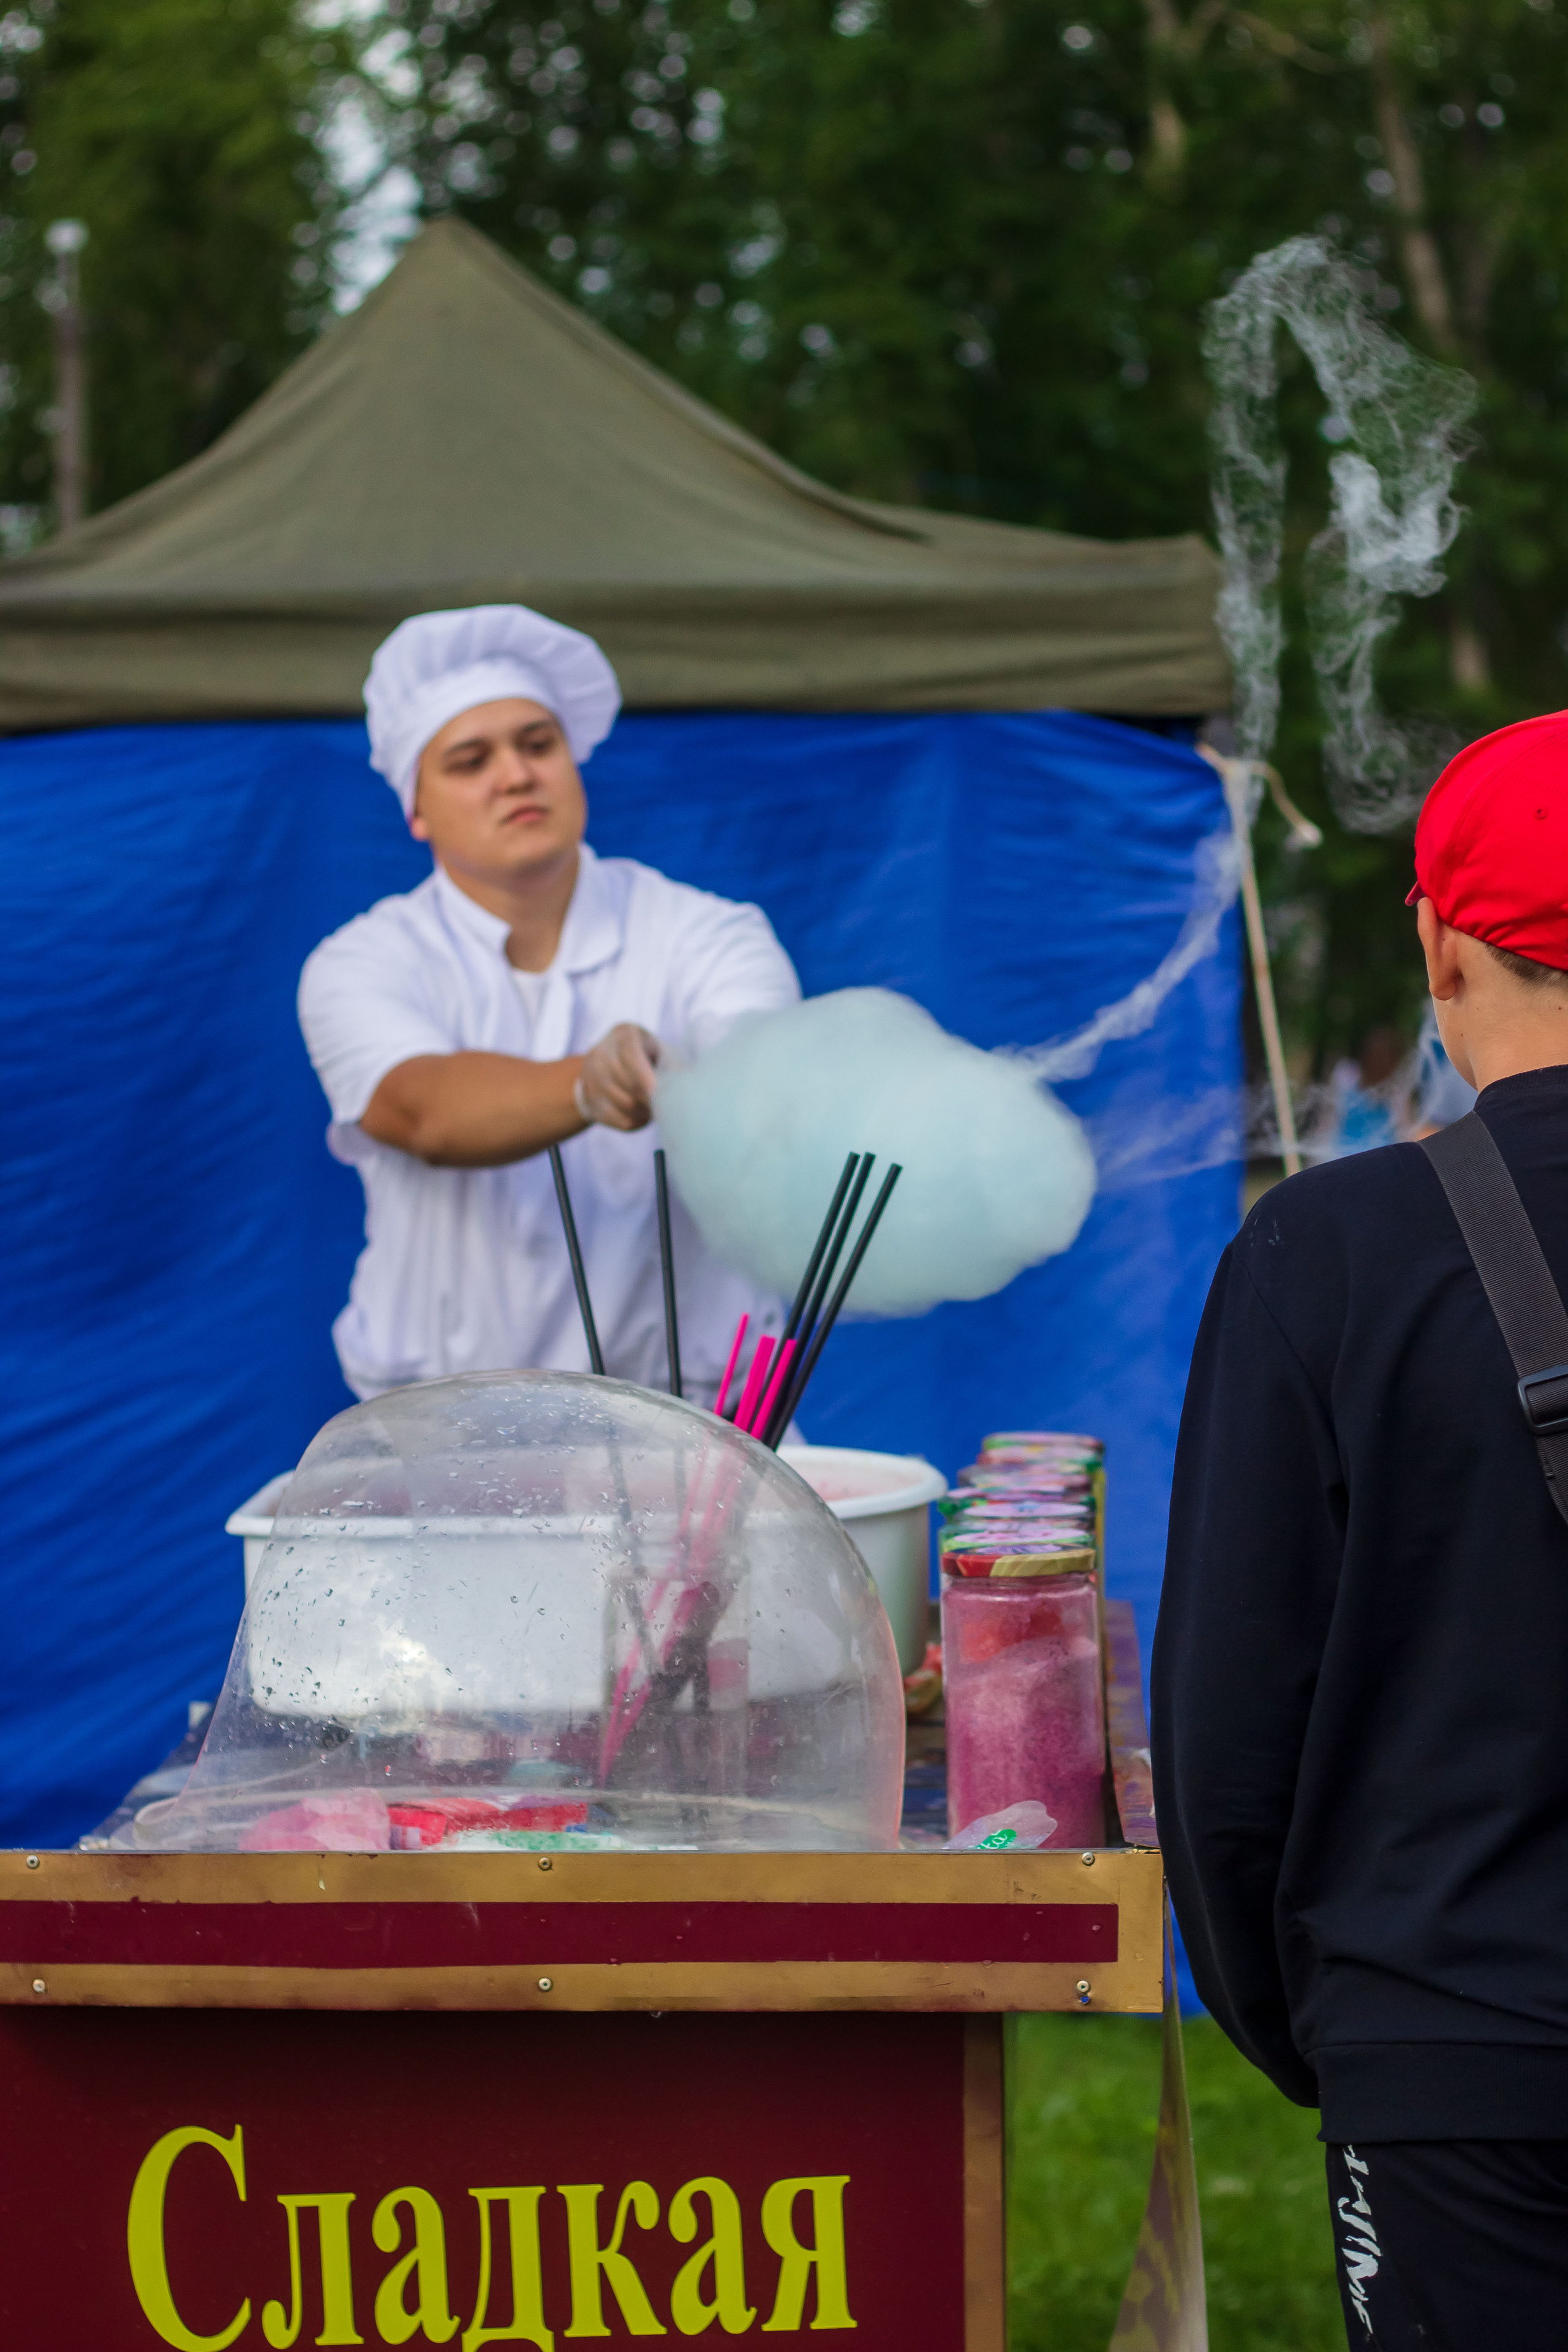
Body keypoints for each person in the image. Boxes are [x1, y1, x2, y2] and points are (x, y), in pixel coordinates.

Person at [1152, 709, 1568, 2349]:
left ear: (1440, 946)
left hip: (1451, 2040)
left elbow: (1228, 1729)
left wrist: (1327, 2031)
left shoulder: (1323, 1257)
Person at [299, 603, 800, 1402]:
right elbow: (422, 1113)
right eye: (470, 760)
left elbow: (766, 1073)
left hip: (700, 1430)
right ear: (415, 810)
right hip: (447, 1438)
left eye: (539, 745)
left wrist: (732, 1080)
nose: (515, 774)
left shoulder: (709, 933)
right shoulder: (361, 962)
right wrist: (584, 1084)